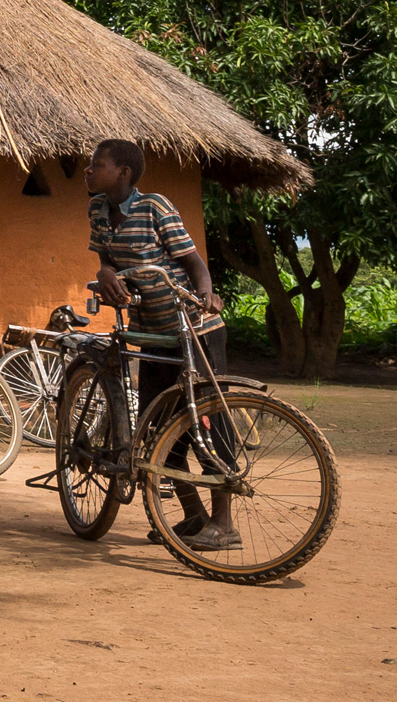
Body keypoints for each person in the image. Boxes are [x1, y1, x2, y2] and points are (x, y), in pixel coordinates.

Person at [86, 137, 236, 549]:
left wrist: (205, 296)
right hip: (151, 332)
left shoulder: (155, 207)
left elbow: (193, 262)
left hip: (193, 331)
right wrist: (105, 275)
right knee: (156, 426)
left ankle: (224, 525)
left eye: (97, 165)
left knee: (205, 418)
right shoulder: (98, 209)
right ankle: (194, 515)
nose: (88, 170)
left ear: (123, 173)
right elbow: (106, 259)